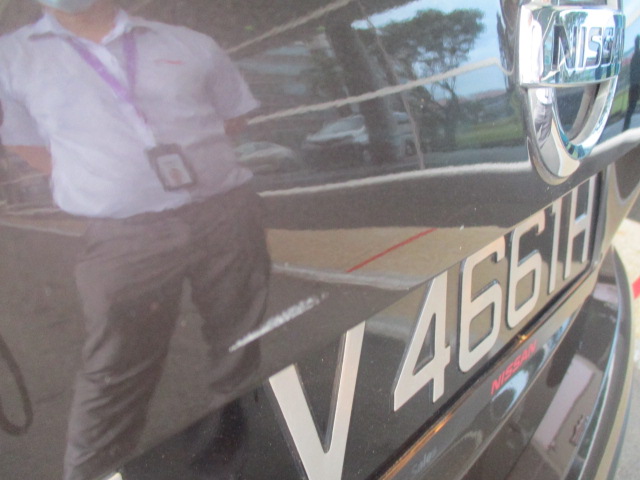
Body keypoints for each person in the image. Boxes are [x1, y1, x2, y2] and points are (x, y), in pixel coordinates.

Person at [0, 1, 271, 479]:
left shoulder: (188, 43)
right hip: (123, 235)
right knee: (115, 370)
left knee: (239, 345)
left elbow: (231, 118)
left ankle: (231, 460)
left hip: (226, 213)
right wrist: (105, 180)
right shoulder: (10, 60)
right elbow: (25, 143)